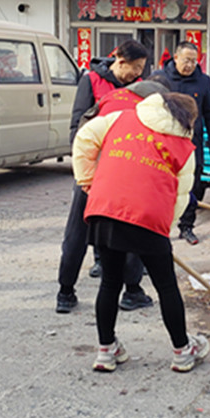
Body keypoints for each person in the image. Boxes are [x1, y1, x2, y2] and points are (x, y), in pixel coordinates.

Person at [73, 91, 210, 373]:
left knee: (110, 282)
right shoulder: (184, 146)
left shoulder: (118, 119)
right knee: (166, 285)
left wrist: (88, 182)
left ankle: (105, 350)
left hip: (105, 208)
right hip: (148, 216)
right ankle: (183, 350)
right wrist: (162, 230)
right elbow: (181, 197)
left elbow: (84, 138)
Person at [56, 39, 152, 314]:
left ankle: (132, 289)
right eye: (134, 67)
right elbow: (78, 127)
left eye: (141, 69)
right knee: (78, 231)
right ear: (119, 60)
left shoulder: (140, 89)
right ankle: (65, 291)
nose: (137, 74)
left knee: (132, 229)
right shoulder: (93, 81)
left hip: (128, 172)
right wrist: (84, 171)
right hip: (95, 172)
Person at [161, 41, 210, 245]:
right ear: (176, 57)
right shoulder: (161, 79)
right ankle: (160, 228)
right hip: (165, 144)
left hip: (191, 145)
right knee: (164, 187)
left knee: (191, 187)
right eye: (186, 60)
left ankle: (187, 227)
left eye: (195, 61)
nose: (190, 65)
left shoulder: (203, 81)